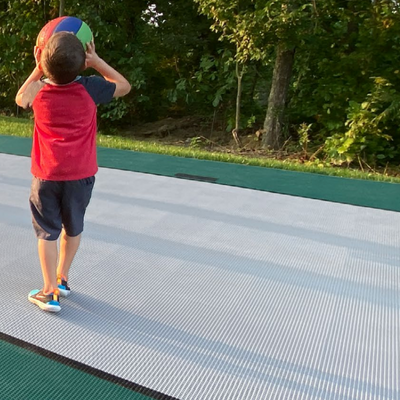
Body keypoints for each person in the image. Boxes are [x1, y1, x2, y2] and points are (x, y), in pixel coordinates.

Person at [16, 31, 131, 312]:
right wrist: (97, 62)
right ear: (82, 65)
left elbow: (20, 97)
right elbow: (124, 86)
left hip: (46, 177)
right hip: (81, 176)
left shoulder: (39, 90)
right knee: (73, 226)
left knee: (47, 233)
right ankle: (63, 278)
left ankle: (48, 291)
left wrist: (38, 66)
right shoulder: (91, 87)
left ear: (43, 61)